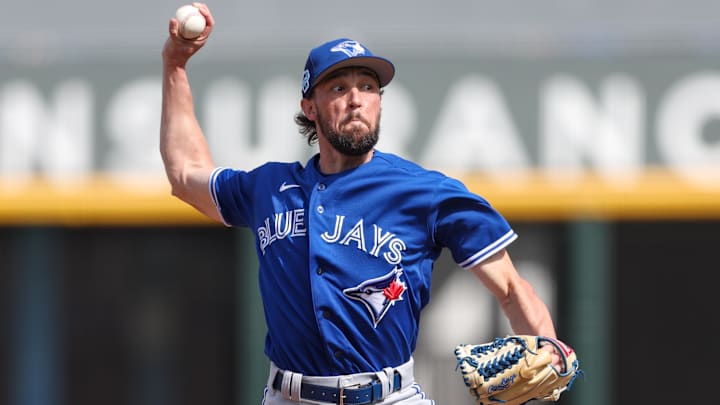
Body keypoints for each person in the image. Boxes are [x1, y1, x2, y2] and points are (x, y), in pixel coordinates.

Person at [161, 3, 564, 404]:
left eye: (368, 87)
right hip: (289, 396)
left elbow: (511, 287)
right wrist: (175, 65)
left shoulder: (424, 192)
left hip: (389, 396)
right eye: (339, 88)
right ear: (309, 108)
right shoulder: (269, 187)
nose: (357, 99)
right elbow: (184, 174)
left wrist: (549, 347)